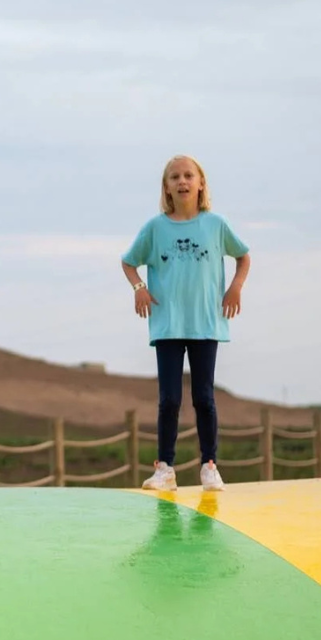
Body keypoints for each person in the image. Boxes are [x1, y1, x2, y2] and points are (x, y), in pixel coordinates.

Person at [121, 155, 251, 492]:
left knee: (204, 397)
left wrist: (235, 286)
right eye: (174, 176)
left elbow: (243, 255)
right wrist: (139, 289)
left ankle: (209, 465)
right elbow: (129, 261)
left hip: (206, 323)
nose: (182, 181)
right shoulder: (155, 228)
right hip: (167, 324)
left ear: (200, 183)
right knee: (169, 399)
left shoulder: (216, 225)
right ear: (166, 186)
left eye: (188, 175)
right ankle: (165, 468)